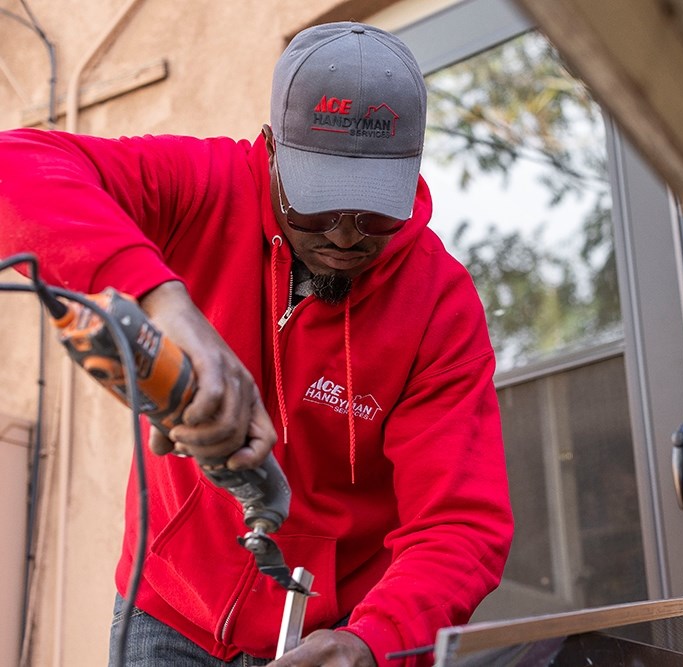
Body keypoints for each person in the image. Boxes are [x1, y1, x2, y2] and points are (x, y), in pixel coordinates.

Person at [0, 21, 513, 667]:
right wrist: (164, 299)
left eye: (377, 211)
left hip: (333, 631)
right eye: (318, 206)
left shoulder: (439, 303)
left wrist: (371, 642)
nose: (348, 236)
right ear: (271, 149)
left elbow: (460, 527)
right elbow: (11, 165)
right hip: (169, 613)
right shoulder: (202, 186)